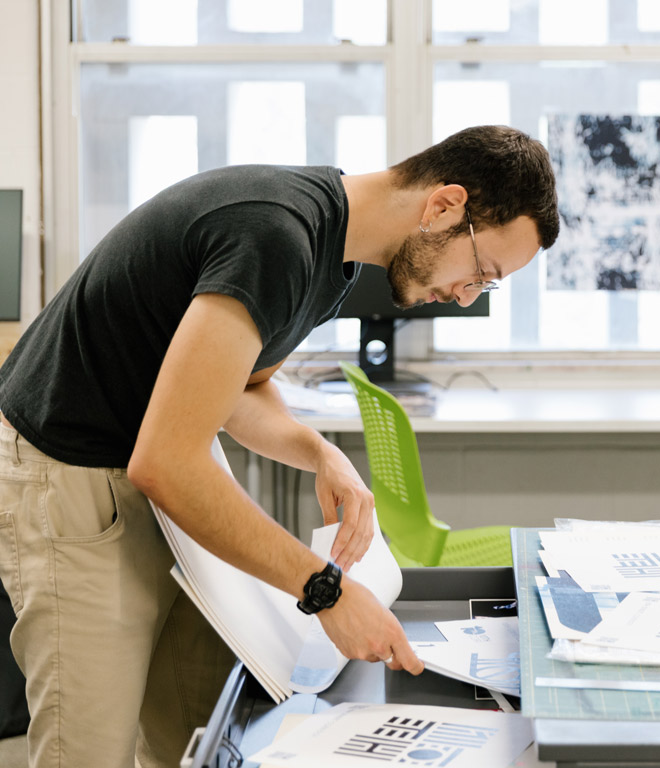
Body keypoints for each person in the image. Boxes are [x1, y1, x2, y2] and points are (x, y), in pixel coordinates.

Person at [0, 124, 559, 767]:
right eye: (480, 274)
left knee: (202, 731)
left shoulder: (333, 259)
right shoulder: (277, 235)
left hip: (156, 469)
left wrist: (319, 452)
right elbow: (167, 463)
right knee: (90, 751)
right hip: (75, 474)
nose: (465, 299)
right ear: (443, 206)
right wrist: (325, 590)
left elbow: (239, 389)